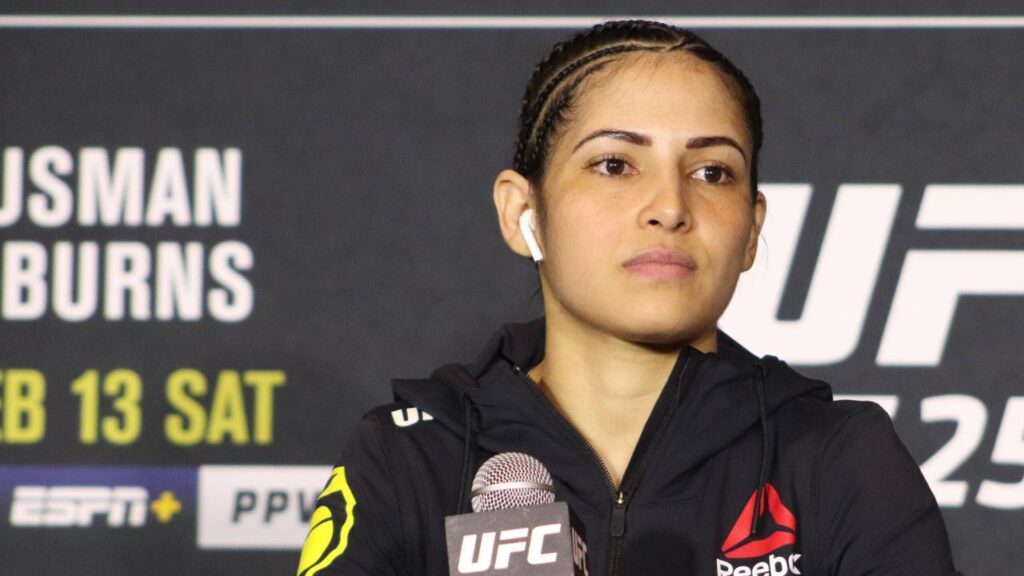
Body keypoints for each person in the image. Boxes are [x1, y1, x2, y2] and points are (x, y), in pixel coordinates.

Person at [297, 20, 960, 576]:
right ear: (522, 212)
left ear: (752, 230)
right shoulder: (410, 459)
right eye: (615, 164)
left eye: (711, 172)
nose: (671, 206)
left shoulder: (839, 459)